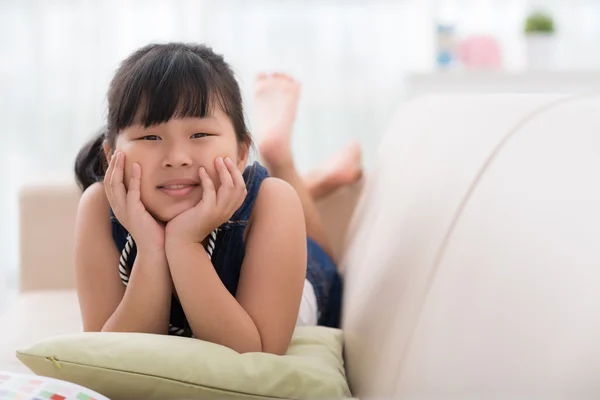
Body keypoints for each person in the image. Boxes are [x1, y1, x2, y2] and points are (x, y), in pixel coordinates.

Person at [73, 42, 362, 355]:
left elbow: (257, 356)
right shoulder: (99, 207)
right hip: (238, 211)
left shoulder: (273, 202)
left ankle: (279, 156)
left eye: (200, 135)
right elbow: (107, 354)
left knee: (304, 232)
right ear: (111, 154)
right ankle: (312, 181)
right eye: (150, 137)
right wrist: (150, 247)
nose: (177, 158)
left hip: (299, 277)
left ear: (240, 153)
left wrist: (184, 245)